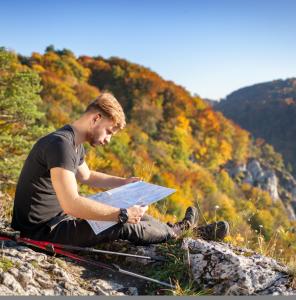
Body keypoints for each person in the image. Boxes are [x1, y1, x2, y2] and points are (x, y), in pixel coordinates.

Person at [11, 92, 229, 247]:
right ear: (96, 118)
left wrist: (124, 183)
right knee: (124, 224)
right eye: (108, 131)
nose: (107, 140)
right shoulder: (60, 145)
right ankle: (179, 233)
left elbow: (86, 176)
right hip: (43, 232)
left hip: (58, 220)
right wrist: (121, 214)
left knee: (130, 212)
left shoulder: (72, 143)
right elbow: (72, 204)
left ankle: (180, 229)